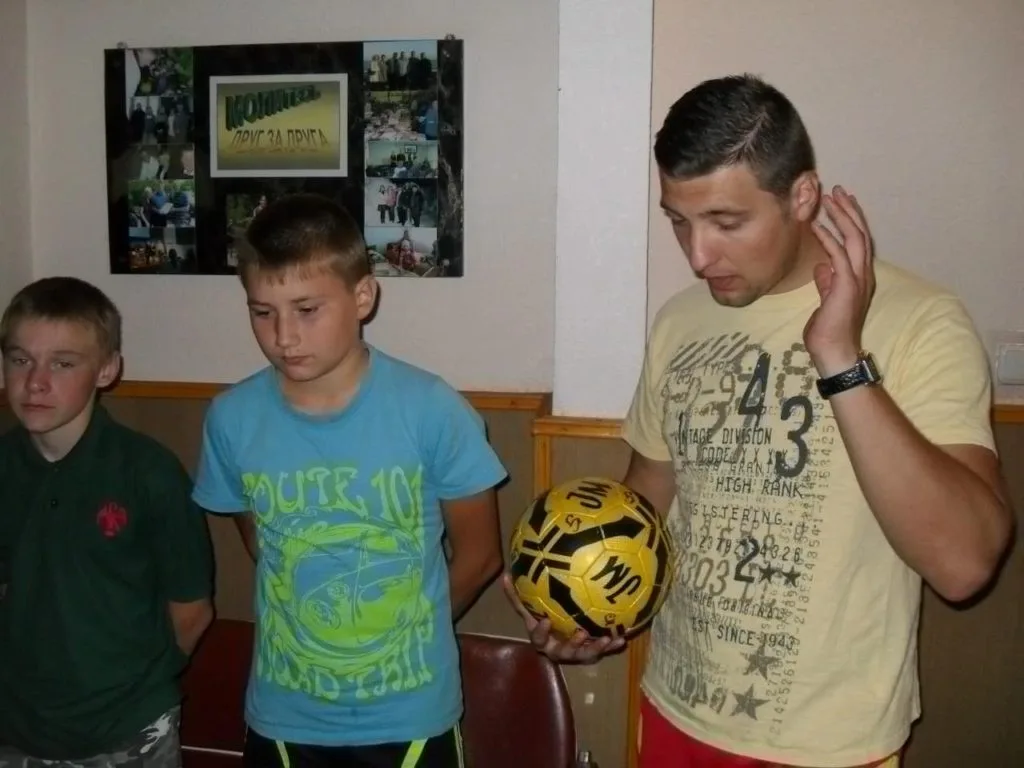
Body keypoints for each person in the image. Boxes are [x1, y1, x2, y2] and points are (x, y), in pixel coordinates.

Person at [505, 74, 1013, 768]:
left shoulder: (921, 321)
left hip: (827, 745)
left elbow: (964, 566)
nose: (697, 256)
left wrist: (840, 357)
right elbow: (647, 499)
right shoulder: (680, 322)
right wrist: (584, 607)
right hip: (673, 711)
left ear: (802, 196)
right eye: (679, 221)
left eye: (726, 222)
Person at [191, 193, 507, 768]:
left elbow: (481, 555)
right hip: (285, 716)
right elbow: (263, 541)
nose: (284, 336)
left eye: (307, 309)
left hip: (408, 715)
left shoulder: (432, 409)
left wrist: (401, 631)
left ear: (363, 296)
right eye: (262, 312)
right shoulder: (232, 419)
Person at [0, 276, 215, 767]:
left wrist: (136, 687)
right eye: (20, 360)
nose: (35, 382)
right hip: (17, 726)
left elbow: (192, 610)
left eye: (63, 363)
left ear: (107, 369)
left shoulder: (148, 472)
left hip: (128, 729)